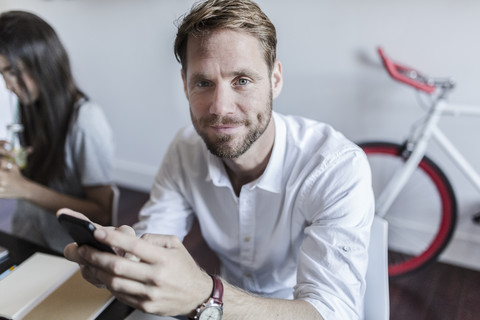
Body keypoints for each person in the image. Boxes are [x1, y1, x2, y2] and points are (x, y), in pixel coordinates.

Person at [61, 0, 374, 319]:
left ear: (275, 79)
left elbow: (334, 312)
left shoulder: (335, 166)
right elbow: (155, 235)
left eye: (242, 80)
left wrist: (207, 295)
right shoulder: (185, 149)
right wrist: (129, 256)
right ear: (185, 85)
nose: (220, 107)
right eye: (204, 83)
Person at [0, 11, 114, 253]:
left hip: (66, 252)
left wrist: (23, 188)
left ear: (41, 62)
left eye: (11, 71)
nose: (8, 85)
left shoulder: (86, 121)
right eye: (2, 74)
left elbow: (102, 212)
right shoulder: (29, 107)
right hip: (27, 236)